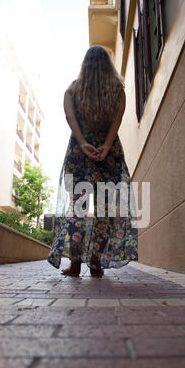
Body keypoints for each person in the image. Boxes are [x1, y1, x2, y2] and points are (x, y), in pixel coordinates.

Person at [47, 45, 138, 277]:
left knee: (79, 207)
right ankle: (96, 263)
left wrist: (83, 142)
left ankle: (75, 265)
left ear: (84, 65)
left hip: (80, 152)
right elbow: (117, 120)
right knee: (105, 210)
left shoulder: (74, 89)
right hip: (108, 155)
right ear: (108, 65)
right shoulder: (118, 90)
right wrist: (106, 147)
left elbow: (70, 116)